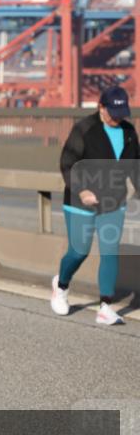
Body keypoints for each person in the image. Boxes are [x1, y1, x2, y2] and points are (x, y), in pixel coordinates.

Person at [50, 85, 139, 325]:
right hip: (80, 202)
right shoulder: (84, 129)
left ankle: (105, 307)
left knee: (110, 251)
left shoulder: (129, 132)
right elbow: (67, 163)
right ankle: (61, 286)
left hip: (113, 202)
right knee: (79, 251)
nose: (116, 119)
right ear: (101, 107)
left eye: (121, 114)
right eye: (112, 113)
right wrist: (82, 190)